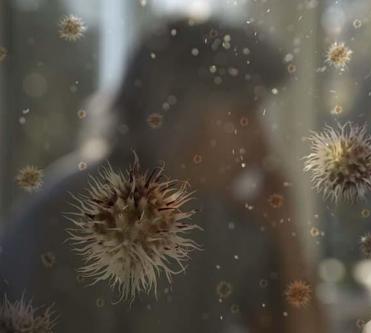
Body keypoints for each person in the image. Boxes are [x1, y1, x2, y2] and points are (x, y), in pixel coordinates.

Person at [0, 17, 325, 332]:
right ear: (177, 111)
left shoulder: (214, 216)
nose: (262, 141)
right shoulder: (72, 219)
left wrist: (287, 236)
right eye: (243, 113)